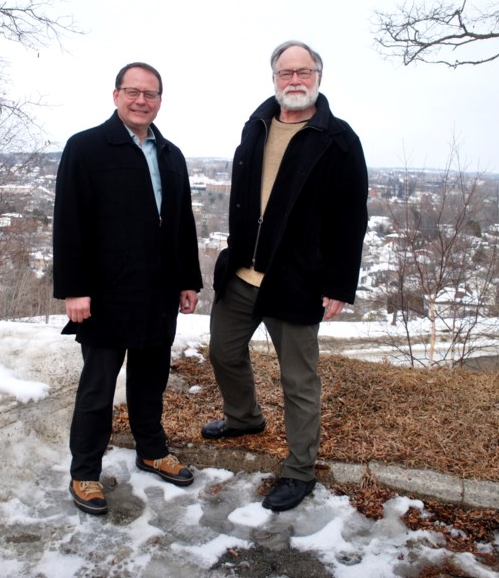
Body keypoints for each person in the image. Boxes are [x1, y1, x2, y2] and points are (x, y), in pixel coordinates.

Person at [203, 40, 368, 512]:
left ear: (319, 76)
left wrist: (338, 283)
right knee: (223, 351)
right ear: (274, 78)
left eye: (304, 71)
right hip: (244, 272)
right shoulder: (256, 126)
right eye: (285, 73)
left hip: (297, 280)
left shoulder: (337, 138)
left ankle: (299, 469)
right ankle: (244, 418)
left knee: (298, 381)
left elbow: (350, 217)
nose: (295, 80)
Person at [53, 62, 203, 515]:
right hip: (105, 293)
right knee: (98, 387)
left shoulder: (171, 154)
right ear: (115, 95)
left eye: (151, 94)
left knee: (150, 379)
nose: (142, 101)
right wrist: (74, 290)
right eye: (133, 92)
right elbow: (69, 221)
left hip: (158, 293)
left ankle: (152, 449)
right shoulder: (87, 148)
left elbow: (182, 224)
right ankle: (84, 474)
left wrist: (189, 279)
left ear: (160, 100)